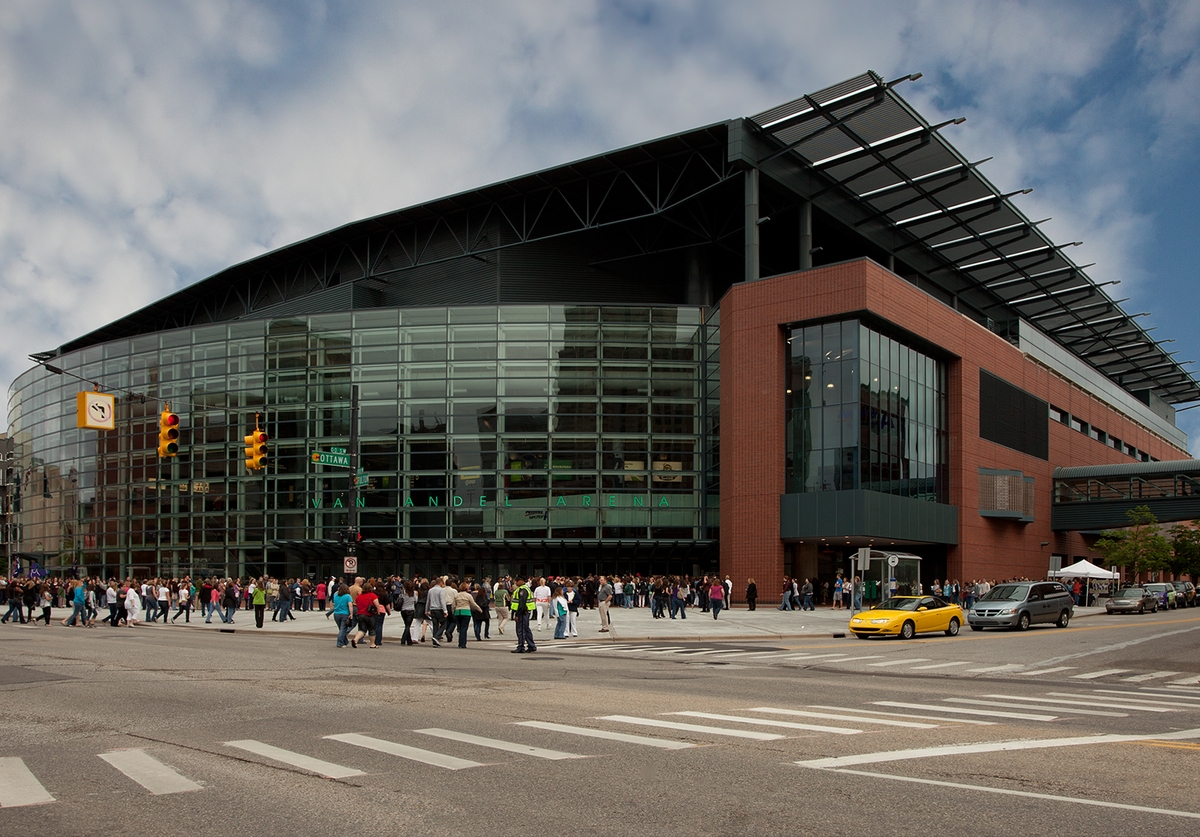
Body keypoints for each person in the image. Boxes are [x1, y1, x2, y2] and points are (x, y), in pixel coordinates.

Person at [510, 576, 537, 653]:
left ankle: (521, 647)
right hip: (525, 611)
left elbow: (522, 603)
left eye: (517, 581)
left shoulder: (522, 590)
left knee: (521, 630)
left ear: (521, 581)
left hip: (522, 612)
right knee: (526, 629)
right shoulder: (525, 588)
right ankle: (531, 645)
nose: (516, 583)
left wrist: (517, 614)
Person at [450, 582, 481, 648]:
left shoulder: (456, 595)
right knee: (464, 628)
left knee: (460, 628)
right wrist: (479, 609)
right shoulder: (468, 595)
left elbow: (453, 605)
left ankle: (460, 643)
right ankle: (463, 643)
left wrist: (453, 612)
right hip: (466, 612)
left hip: (458, 612)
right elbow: (473, 604)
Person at [351, 581, 380, 649]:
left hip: (360, 614)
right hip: (370, 615)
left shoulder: (359, 597)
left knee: (362, 629)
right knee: (372, 630)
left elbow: (357, 604)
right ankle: (372, 644)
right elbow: (377, 605)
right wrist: (378, 612)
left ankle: (355, 639)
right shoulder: (372, 595)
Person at [332, 583, 353, 647]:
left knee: (341, 629)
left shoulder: (335, 595)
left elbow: (334, 601)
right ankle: (340, 643)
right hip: (344, 613)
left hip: (336, 613)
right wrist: (351, 613)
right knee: (343, 629)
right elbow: (350, 606)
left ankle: (345, 641)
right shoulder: (348, 596)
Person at [397, 581, 416, 646]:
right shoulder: (414, 593)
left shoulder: (403, 593)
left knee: (406, 625)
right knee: (408, 626)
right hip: (411, 610)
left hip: (403, 610)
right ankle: (403, 640)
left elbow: (399, 599)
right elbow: (416, 600)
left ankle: (409, 641)